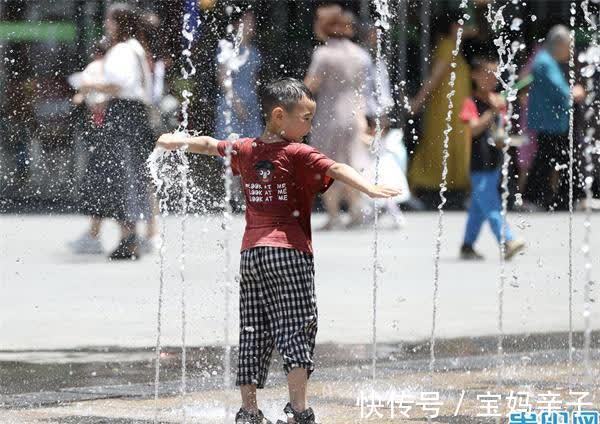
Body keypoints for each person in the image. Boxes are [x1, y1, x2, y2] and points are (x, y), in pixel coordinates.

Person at [155, 78, 400, 424]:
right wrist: (371, 188)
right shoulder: (296, 152)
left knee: (253, 329)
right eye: (306, 118)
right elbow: (337, 168)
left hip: (252, 255)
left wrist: (176, 141)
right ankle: (299, 410)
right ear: (279, 116)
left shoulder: (246, 148)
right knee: (297, 327)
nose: (310, 126)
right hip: (289, 253)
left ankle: (249, 411)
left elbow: (211, 145)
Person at [71, 3, 154, 260]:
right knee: (125, 176)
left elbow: (119, 85)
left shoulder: (122, 50)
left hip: (122, 118)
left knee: (119, 176)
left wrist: (88, 84)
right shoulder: (136, 48)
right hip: (133, 117)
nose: (107, 24)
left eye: (110, 20)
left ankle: (129, 239)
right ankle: (128, 238)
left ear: (120, 23)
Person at [304, 8, 372, 230]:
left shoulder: (323, 54)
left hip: (329, 114)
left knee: (327, 163)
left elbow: (310, 86)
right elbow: (365, 91)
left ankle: (333, 214)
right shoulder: (361, 55)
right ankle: (355, 211)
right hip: (354, 116)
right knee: (351, 162)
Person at [458, 56, 525, 260]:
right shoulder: (470, 102)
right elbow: (474, 128)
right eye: (486, 74)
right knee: (492, 205)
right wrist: (491, 112)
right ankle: (507, 240)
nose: (491, 79)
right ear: (474, 75)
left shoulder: (497, 101)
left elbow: (500, 131)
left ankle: (467, 246)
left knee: (479, 208)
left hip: (494, 162)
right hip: (478, 164)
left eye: (494, 75)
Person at [408, 10, 472, 205]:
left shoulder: (452, 46)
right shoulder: (447, 46)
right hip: (446, 111)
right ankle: (412, 188)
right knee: (439, 146)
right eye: (461, 24)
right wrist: (418, 102)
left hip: (453, 110)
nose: (465, 28)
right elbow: (435, 78)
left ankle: (466, 191)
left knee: (452, 147)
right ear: (453, 27)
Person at [524, 24, 585, 210]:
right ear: (559, 44)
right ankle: (535, 199)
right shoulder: (544, 62)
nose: (571, 51)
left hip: (553, 122)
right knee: (549, 159)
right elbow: (560, 90)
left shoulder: (546, 60)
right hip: (550, 123)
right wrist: (574, 92)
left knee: (557, 159)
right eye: (569, 46)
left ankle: (564, 198)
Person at [215, 10, 263, 139]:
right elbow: (222, 78)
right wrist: (236, 103)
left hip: (251, 103)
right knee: (231, 145)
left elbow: (254, 81)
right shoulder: (227, 48)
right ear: (237, 24)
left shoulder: (255, 52)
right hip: (232, 101)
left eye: (253, 22)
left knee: (254, 145)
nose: (251, 24)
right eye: (247, 21)